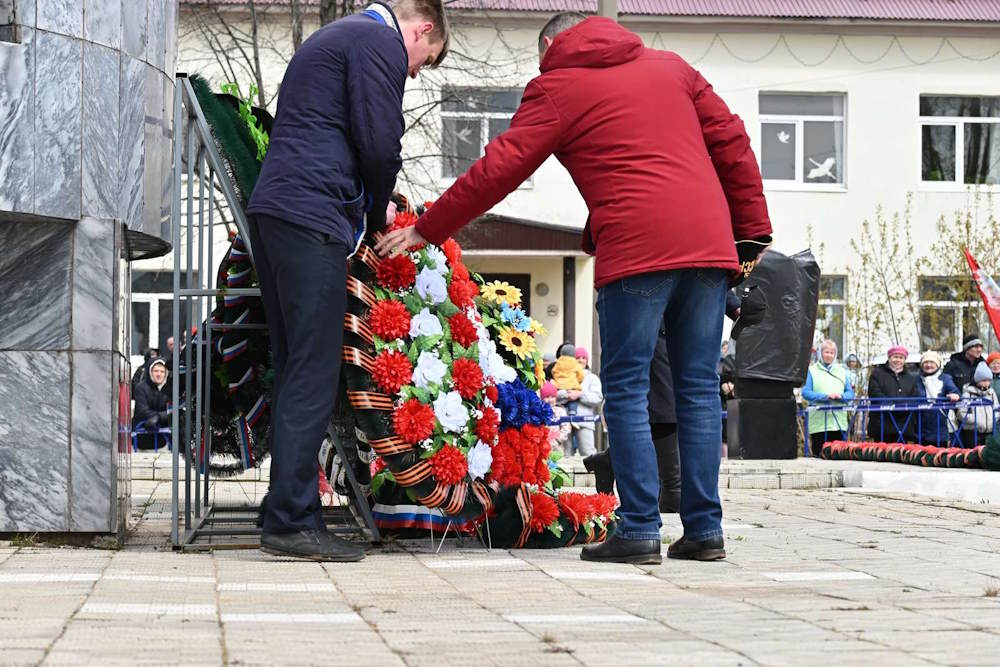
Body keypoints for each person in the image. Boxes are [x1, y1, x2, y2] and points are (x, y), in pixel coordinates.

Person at [378, 12, 773, 564]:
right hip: (710, 244)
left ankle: (637, 528)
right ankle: (705, 529)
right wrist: (752, 232)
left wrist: (427, 228)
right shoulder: (673, 67)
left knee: (630, 388)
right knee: (699, 390)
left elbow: (502, 165)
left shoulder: (559, 85)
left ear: (548, 44)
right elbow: (731, 140)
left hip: (637, 247)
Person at [245, 0, 449, 562]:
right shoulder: (376, 41)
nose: (410, 73)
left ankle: (288, 508)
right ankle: (290, 520)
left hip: (279, 212)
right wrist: (379, 207)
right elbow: (379, 140)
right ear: (421, 27)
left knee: (295, 366)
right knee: (313, 366)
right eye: (419, 63)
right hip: (312, 214)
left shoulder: (339, 36)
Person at [801, 339, 854, 454]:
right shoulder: (812, 370)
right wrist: (825, 396)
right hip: (819, 424)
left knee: (838, 456)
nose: (829, 355)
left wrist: (841, 396)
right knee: (819, 455)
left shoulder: (841, 371)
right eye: (826, 352)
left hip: (838, 423)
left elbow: (850, 393)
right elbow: (806, 392)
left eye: (832, 353)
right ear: (820, 353)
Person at [867, 345, 919, 442]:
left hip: (904, 425)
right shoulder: (877, 374)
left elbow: (915, 396)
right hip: (882, 425)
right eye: (895, 357)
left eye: (901, 357)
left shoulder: (910, 378)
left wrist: (902, 407)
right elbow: (874, 393)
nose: (898, 360)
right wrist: (893, 406)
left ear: (904, 360)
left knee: (900, 455)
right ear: (889, 358)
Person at [913, 350, 960, 446]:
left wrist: (954, 395)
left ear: (938, 364)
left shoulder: (945, 378)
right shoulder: (916, 379)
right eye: (925, 362)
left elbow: (954, 391)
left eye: (932, 362)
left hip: (940, 425)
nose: (928, 365)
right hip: (920, 425)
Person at [569, 346, 603, 458]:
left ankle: (593, 476)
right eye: (578, 357)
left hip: (585, 421)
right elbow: (554, 394)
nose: (581, 360)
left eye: (584, 358)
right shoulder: (565, 376)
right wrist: (567, 395)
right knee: (563, 456)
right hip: (565, 422)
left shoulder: (592, 378)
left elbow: (598, 397)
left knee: (589, 455)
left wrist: (580, 395)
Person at [956, 362, 999, 448]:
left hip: (989, 430)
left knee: (987, 453)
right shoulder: (968, 393)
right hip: (972, 431)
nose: (986, 383)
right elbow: (961, 413)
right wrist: (976, 420)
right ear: (977, 380)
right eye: (984, 380)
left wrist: (994, 418)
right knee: (972, 453)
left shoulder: (991, 392)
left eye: (988, 380)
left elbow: (996, 408)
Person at [132, 358, 171, 450]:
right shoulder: (141, 388)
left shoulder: (169, 388)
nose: (159, 374)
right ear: (150, 372)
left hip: (165, 440)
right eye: (156, 371)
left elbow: (173, 410)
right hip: (141, 438)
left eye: (162, 371)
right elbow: (142, 410)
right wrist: (160, 416)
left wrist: (158, 417)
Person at [551, 342, 585, 414]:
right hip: (571, 387)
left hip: (559, 387)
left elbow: (553, 371)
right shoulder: (575, 363)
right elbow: (581, 375)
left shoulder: (558, 362)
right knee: (573, 400)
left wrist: (557, 378)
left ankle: (560, 412)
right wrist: (578, 380)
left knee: (560, 402)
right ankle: (572, 411)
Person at [540, 381, 571, 453]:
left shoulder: (560, 411)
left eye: (553, 397)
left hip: (557, 446)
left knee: (558, 462)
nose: (550, 400)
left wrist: (557, 440)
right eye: (547, 397)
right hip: (542, 446)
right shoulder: (539, 411)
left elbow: (566, 427)